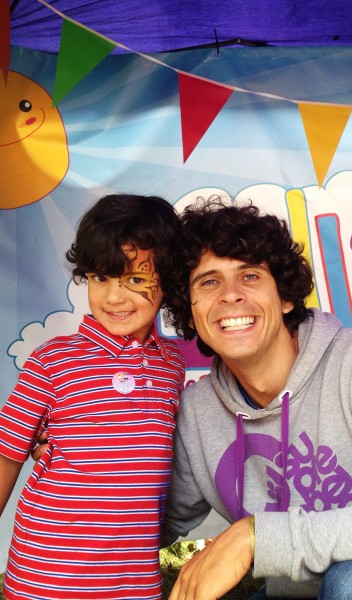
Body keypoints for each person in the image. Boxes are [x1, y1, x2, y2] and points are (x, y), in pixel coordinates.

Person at [161, 197, 352, 600]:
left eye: (251, 276)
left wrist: (257, 537)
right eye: (208, 282)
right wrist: (66, 460)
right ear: (190, 314)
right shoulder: (197, 414)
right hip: (293, 595)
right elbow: (141, 523)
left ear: (286, 297)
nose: (230, 295)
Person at [0, 194, 186, 600]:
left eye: (135, 280)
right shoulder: (52, 360)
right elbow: (6, 456)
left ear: (168, 281)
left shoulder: (172, 365)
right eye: (101, 278)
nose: (113, 298)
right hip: (44, 580)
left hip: (134, 585)